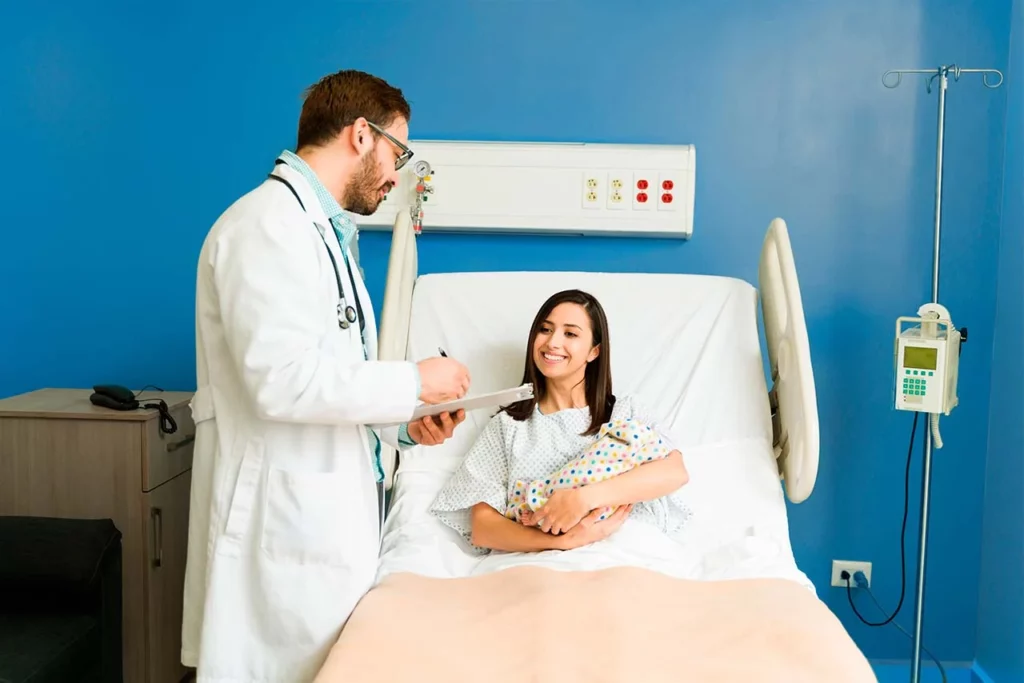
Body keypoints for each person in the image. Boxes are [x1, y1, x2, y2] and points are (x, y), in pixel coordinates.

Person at [181, 69, 471, 682]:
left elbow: (335, 381)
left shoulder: (323, 234)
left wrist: (405, 426)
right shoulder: (266, 226)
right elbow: (280, 381)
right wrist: (413, 382)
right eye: (400, 152)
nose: (398, 175)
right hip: (279, 527)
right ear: (361, 135)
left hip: (323, 521)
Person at [429, 289, 692, 554]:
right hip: (539, 564)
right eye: (545, 330)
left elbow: (673, 472)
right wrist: (563, 542)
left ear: (594, 351)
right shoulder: (508, 427)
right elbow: (484, 528)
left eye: (570, 334)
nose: (553, 342)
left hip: (620, 556)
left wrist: (582, 499)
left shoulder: (625, 412)